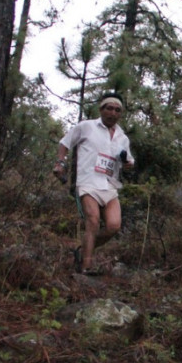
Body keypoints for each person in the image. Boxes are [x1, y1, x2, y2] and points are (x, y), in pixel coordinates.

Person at [53, 92, 134, 275]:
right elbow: (65, 143)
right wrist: (60, 163)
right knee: (93, 221)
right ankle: (86, 267)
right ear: (101, 109)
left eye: (117, 110)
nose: (113, 113)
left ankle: (83, 251)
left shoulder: (122, 137)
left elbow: (128, 161)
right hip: (88, 182)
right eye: (109, 108)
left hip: (110, 186)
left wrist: (128, 164)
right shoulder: (86, 127)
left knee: (114, 226)